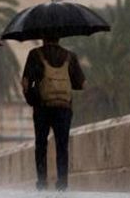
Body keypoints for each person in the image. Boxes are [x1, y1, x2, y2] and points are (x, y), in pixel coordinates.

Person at [21, 36, 85, 191]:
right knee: (62, 146)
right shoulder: (70, 56)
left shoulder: (35, 55)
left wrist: (32, 97)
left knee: (41, 144)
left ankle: (42, 183)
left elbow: (26, 82)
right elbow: (81, 83)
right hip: (63, 108)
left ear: (43, 38)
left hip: (42, 108)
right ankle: (62, 183)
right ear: (59, 38)